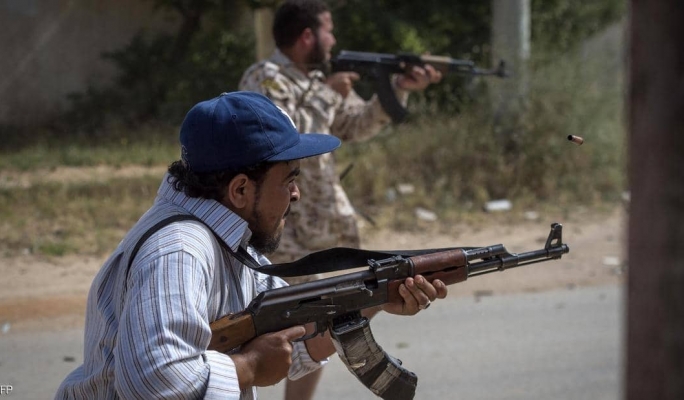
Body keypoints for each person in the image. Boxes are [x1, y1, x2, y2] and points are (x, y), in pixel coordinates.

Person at [54, 91, 447, 400]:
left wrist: (378, 296)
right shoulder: (180, 251)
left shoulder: (227, 240)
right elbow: (155, 381)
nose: (296, 193)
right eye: (289, 179)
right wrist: (251, 366)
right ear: (240, 190)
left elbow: (294, 342)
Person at [239, 1, 443, 398]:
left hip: (326, 228)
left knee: (325, 326)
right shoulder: (266, 78)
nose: (333, 41)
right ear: (307, 36)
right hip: (286, 230)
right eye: (328, 31)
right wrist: (326, 95)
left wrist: (398, 88)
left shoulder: (318, 81)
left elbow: (355, 125)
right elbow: (285, 140)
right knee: (282, 329)